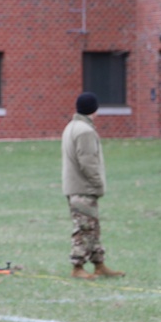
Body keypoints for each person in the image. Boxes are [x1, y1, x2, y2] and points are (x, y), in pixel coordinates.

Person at [61, 92, 125, 280]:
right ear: (95, 109)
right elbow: (88, 162)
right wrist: (98, 184)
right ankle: (78, 266)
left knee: (92, 228)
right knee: (83, 229)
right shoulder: (85, 131)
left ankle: (99, 264)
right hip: (83, 188)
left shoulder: (71, 127)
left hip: (75, 187)